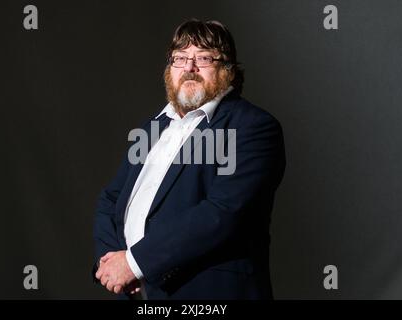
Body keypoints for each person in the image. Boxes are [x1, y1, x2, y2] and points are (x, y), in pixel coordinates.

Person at [93, 18, 286, 300]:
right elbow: (110, 199)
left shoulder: (253, 127)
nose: (189, 68)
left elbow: (221, 213)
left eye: (203, 58)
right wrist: (110, 261)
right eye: (180, 58)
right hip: (140, 294)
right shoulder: (154, 127)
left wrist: (134, 263)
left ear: (228, 70)